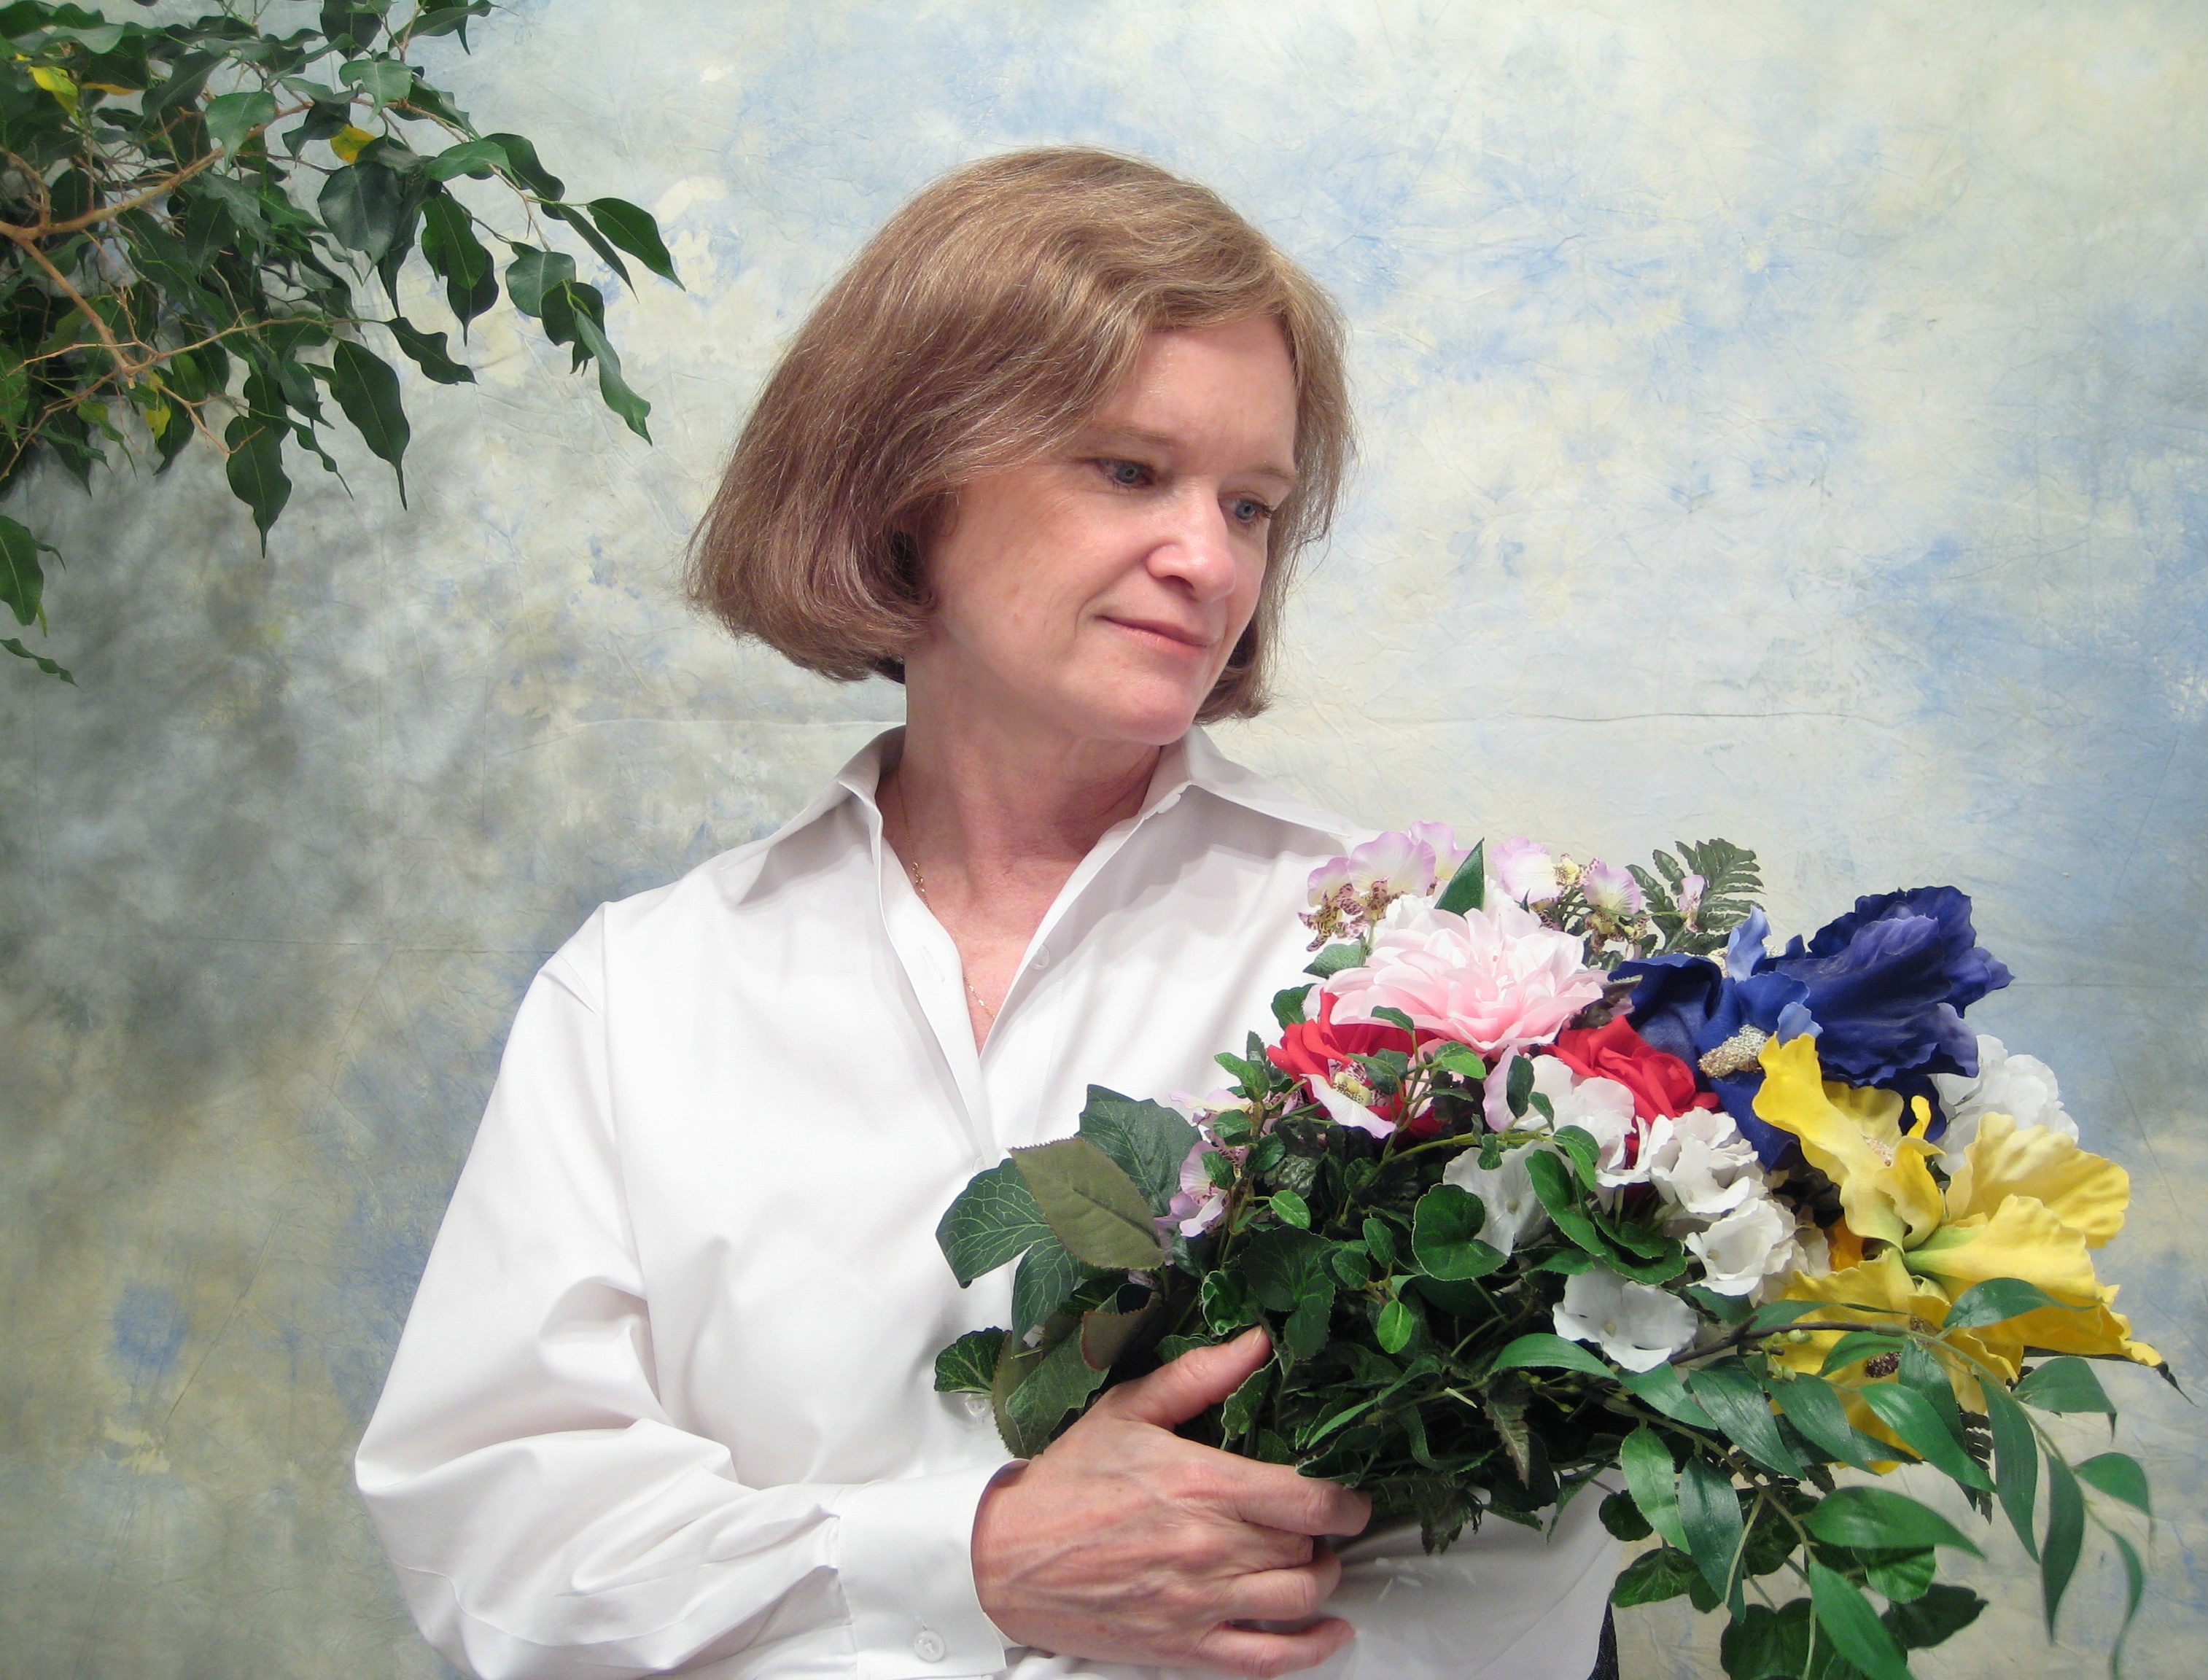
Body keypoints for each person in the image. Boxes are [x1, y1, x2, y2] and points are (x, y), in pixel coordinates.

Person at [356, 147, 1622, 1680]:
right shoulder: (640, 994)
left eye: (1253, 504)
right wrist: (972, 1564)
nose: (1209, 561)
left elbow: (1515, 1565)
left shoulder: (1411, 969)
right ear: (908, 481)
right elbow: (503, 1538)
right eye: (1129, 471)